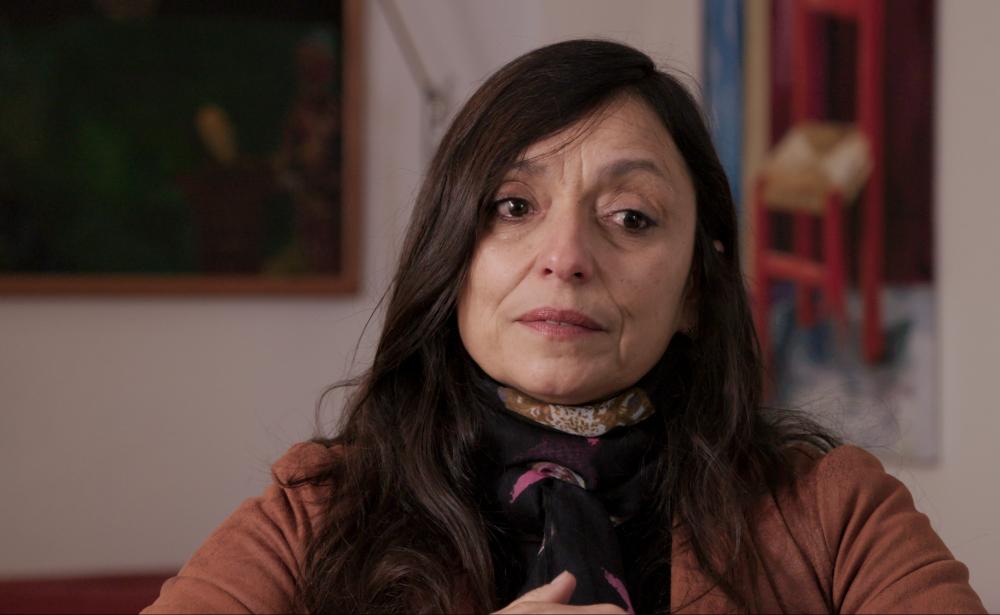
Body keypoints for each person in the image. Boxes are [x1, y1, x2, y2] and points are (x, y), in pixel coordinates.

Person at [143, 40, 985, 614]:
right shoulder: (316, 516)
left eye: (631, 216)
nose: (566, 256)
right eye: (514, 206)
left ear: (696, 288)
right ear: (453, 255)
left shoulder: (835, 515)